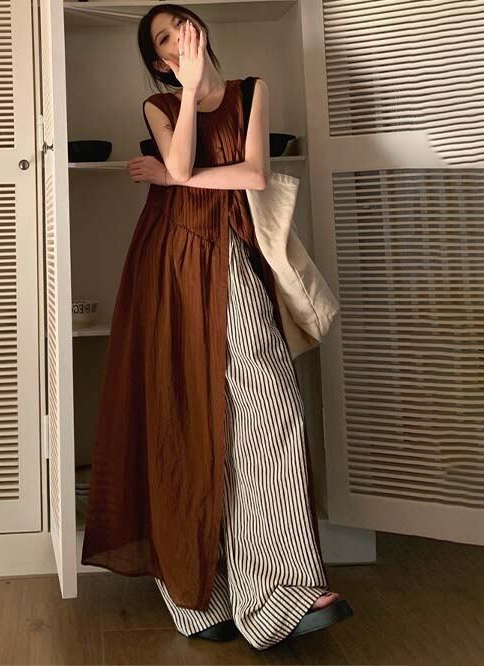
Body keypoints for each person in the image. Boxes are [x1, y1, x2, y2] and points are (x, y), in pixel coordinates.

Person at [80, 3, 353, 650]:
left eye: (182, 26)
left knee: (270, 409)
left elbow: (252, 173)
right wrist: (184, 101)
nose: (178, 39)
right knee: (186, 416)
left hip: (231, 253)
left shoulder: (251, 91)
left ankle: (281, 591)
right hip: (170, 261)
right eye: (163, 39)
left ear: (201, 31)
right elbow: (178, 167)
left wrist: (178, 176)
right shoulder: (160, 105)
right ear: (159, 61)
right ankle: (200, 595)